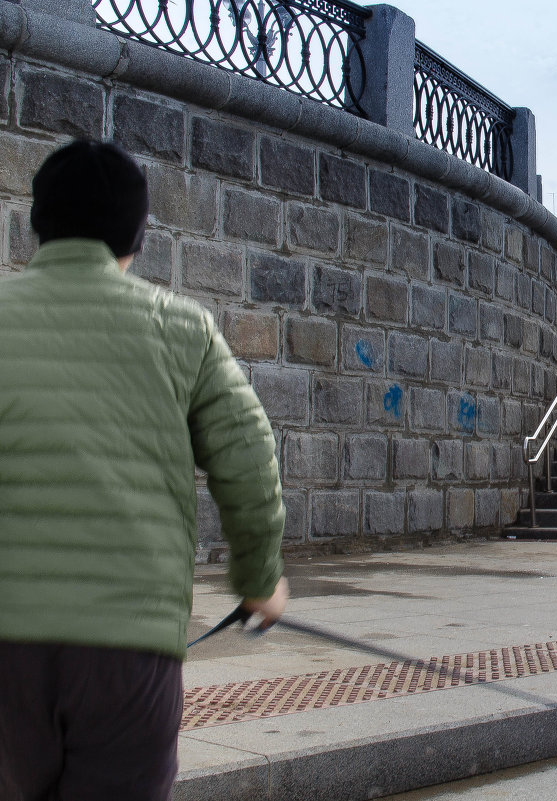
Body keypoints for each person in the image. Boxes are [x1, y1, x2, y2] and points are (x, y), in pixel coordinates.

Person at [0, 139, 289, 800]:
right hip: (126, 650)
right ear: (137, 237)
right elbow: (248, 459)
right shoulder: (183, 328)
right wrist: (258, 580)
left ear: (36, 226)